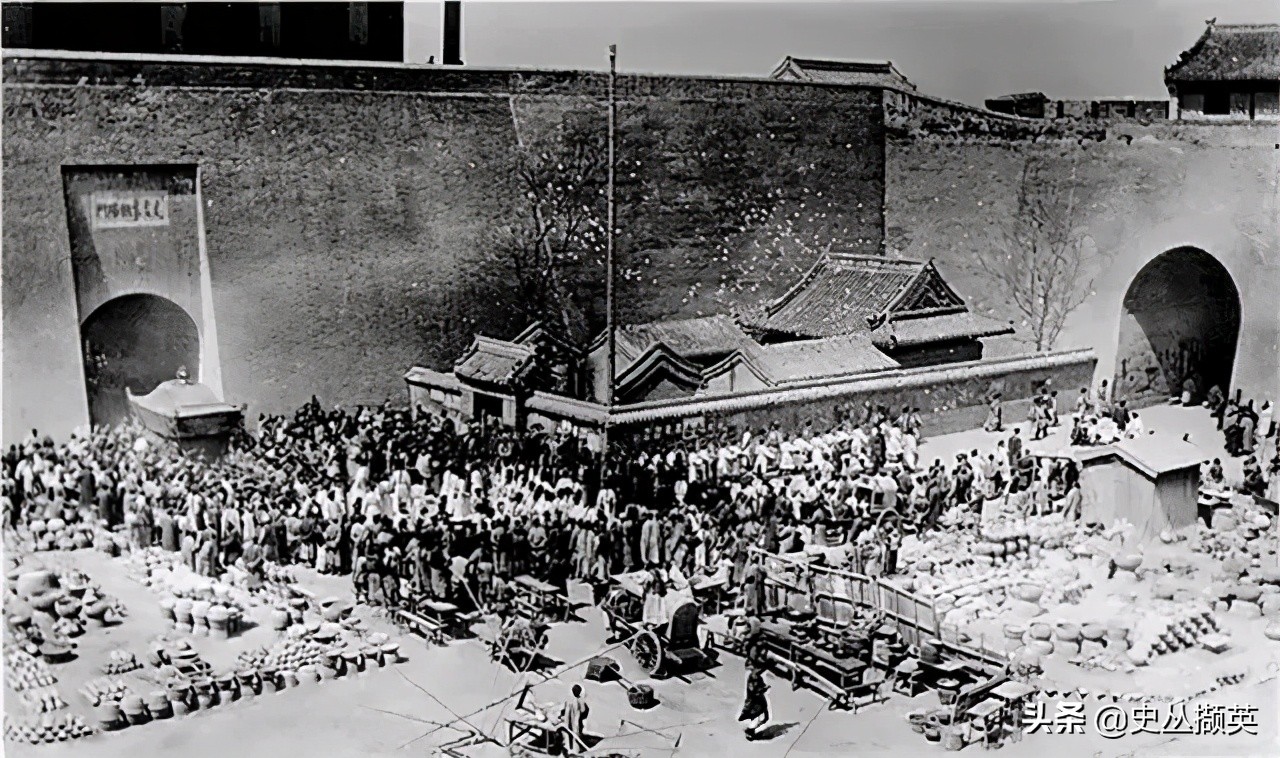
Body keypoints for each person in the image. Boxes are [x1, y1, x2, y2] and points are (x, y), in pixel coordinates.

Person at [739, 664, 771, 740]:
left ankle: (751, 730)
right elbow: (754, 692)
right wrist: (763, 689)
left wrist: (764, 688)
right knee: (758, 715)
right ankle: (751, 731)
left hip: (759, 700)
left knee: (765, 717)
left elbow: (760, 688)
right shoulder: (751, 680)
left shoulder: (757, 678)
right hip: (756, 701)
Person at [562, 683, 590, 752]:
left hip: (574, 722)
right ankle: (572, 750)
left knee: (573, 736)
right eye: (575, 690)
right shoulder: (574, 700)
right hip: (571, 722)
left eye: (576, 690)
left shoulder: (575, 700)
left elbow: (584, 711)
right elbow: (584, 711)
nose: (575, 692)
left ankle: (574, 750)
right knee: (572, 736)